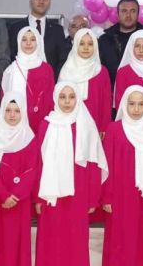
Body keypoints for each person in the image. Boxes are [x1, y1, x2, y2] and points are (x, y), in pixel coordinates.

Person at [35, 82, 108, 266]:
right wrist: (38, 197)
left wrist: (92, 198)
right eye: (62, 97)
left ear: (78, 99)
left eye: (71, 97)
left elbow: (93, 164)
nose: (67, 101)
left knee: (75, 242)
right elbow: (39, 163)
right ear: (55, 98)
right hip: (51, 194)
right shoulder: (46, 125)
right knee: (51, 240)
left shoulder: (86, 125)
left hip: (79, 194)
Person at [102, 85, 143, 266]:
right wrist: (107, 197)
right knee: (121, 238)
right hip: (120, 196)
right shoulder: (114, 129)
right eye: (131, 104)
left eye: (141, 104)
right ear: (124, 104)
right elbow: (107, 166)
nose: (136, 109)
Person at [0, 92, 37, 266]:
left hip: (20, 201)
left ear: (23, 112)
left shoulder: (29, 139)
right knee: (1, 242)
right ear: (2, 112)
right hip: (1, 201)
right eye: (8, 110)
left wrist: (16, 195)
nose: (12, 115)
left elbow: (32, 171)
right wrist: (4, 196)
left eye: (16, 110)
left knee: (18, 242)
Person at [59, 28, 112, 136]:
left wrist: (104, 127)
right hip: (69, 123)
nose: (86, 48)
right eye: (82, 43)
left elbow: (106, 102)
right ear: (75, 45)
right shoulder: (66, 70)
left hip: (95, 124)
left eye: (90, 44)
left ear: (95, 46)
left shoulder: (101, 71)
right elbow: (59, 99)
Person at [1, 26, 55, 134]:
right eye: (24, 39)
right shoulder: (11, 70)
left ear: (38, 42)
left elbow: (50, 97)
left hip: (42, 120)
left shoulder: (46, 69)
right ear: (18, 42)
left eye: (33, 39)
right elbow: (5, 99)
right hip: (16, 122)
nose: (28, 43)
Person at [8, 0, 67, 78]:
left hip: (50, 81)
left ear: (49, 2)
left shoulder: (57, 30)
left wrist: (53, 79)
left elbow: (62, 59)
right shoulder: (15, 28)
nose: (41, 1)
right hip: (22, 79)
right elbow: (11, 56)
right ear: (30, 1)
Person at [98, 0, 143, 86]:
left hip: (141, 91)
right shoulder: (104, 40)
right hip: (111, 90)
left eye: (133, 11)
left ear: (138, 14)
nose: (128, 15)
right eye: (124, 11)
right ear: (118, 14)